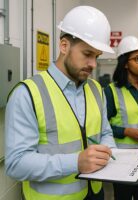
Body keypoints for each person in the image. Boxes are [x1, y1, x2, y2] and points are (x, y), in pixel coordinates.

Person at [5, 6, 116, 200]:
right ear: (64, 46)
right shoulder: (27, 94)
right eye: (87, 54)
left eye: (96, 56)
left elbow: (105, 132)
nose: (93, 64)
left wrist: (108, 151)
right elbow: (16, 163)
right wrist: (76, 162)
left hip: (95, 193)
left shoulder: (97, 89)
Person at [104, 36, 138, 200]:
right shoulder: (111, 91)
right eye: (137, 59)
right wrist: (126, 131)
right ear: (125, 64)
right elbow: (102, 127)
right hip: (122, 160)